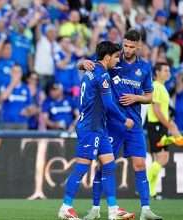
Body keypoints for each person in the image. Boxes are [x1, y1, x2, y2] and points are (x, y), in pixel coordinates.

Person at [80, 30, 162, 220]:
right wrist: (81, 63)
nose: (127, 49)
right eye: (125, 45)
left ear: (139, 47)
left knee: (140, 165)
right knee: (104, 166)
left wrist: (137, 97)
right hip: (113, 123)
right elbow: (91, 66)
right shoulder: (113, 60)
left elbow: (150, 97)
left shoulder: (145, 68)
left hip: (134, 124)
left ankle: (146, 209)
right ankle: (94, 209)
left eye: (132, 46)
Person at [58, 41, 135, 220]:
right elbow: (108, 104)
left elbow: (83, 65)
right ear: (107, 57)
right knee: (82, 167)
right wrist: (125, 120)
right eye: (116, 57)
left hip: (98, 128)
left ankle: (113, 210)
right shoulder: (103, 75)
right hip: (91, 127)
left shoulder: (92, 68)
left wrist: (81, 63)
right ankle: (65, 207)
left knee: (109, 165)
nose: (118, 60)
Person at [146, 62, 183, 199]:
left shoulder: (161, 87)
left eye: (169, 70)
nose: (168, 73)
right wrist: (169, 125)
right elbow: (156, 110)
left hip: (158, 126)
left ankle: (151, 192)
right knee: (163, 158)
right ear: (157, 72)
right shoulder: (156, 87)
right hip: (157, 125)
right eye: (165, 70)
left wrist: (169, 123)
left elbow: (161, 110)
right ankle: (143, 185)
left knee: (158, 159)